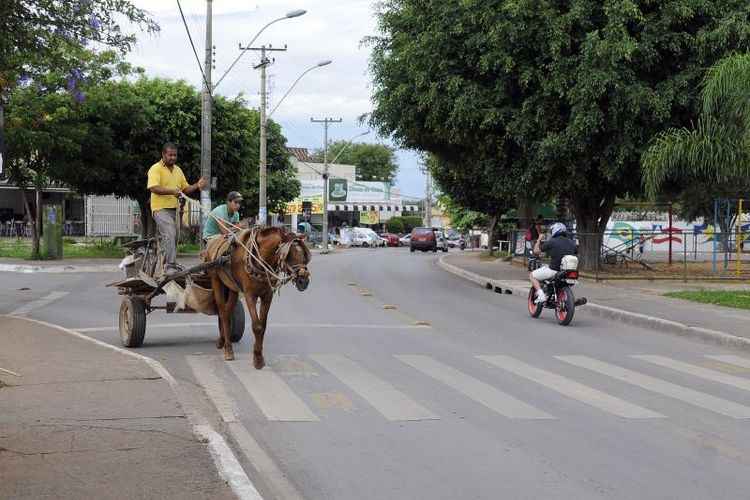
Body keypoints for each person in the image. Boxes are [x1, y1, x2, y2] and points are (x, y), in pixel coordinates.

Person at [147, 143, 207, 273]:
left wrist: (197, 185)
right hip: (159, 208)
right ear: (163, 155)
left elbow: (185, 189)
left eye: (175, 155)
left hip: (174, 209)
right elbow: (153, 187)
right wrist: (172, 191)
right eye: (170, 155)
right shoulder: (155, 169)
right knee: (170, 233)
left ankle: (164, 263)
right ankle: (170, 266)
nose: (173, 157)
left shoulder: (178, 170)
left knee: (174, 237)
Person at [529, 222, 577, 303]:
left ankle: (541, 295)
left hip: (554, 270)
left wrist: (539, 239)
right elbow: (574, 252)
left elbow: (536, 251)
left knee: (532, 276)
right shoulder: (572, 243)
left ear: (554, 231)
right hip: (568, 271)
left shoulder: (552, 241)